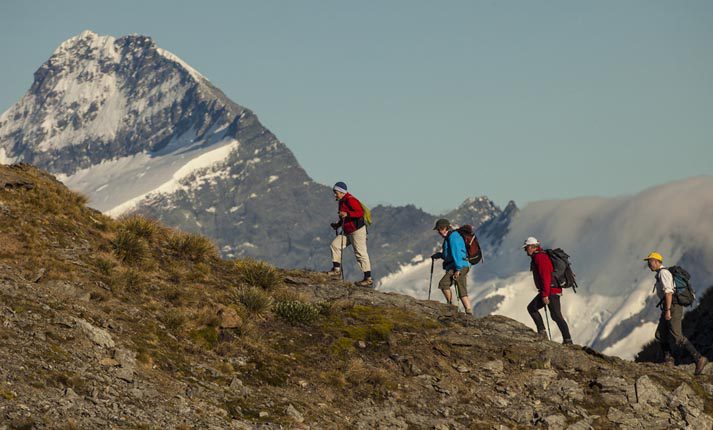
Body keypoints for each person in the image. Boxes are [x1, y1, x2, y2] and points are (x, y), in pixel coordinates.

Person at [644, 251, 708, 375]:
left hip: (673, 307)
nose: (649, 264)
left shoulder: (664, 273)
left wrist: (668, 310)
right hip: (668, 307)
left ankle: (699, 358)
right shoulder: (660, 274)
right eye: (648, 262)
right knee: (660, 334)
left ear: (657, 262)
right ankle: (668, 361)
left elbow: (668, 292)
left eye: (650, 261)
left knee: (677, 336)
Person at [522, 237, 573, 344]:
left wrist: (545, 294)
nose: (525, 250)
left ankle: (566, 340)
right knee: (550, 314)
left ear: (532, 247)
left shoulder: (540, 257)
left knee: (555, 315)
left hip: (550, 291)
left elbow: (546, 276)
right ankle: (547, 334)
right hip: (550, 290)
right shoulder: (539, 256)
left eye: (526, 248)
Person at [326, 182, 373, 287]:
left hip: (358, 231)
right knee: (335, 245)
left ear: (342, 192)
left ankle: (368, 278)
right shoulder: (342, 201)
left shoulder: (350, 200)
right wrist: (338, 224)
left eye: (336, 192)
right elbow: (343, 216)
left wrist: (347, 214)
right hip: (347, 230)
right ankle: (336, 271)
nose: (334, 194)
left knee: (360, 253)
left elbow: (360, 213)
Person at [431, 219, 472, 314]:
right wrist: (440, 255)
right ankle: (467, 311)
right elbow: (449, 254)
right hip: (460, 264)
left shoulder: (453, 237)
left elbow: (457, 253)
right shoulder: (451, 236)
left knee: (444, 284)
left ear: (445, 228)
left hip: (459, 265)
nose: (439, 232)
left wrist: (458, 269)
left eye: (439, 229)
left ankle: (452, 306)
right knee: (460, 287)